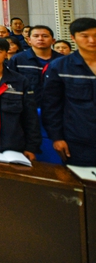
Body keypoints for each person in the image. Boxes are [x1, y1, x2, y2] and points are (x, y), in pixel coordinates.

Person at [42, 17, 96, 165]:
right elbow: (51, 105)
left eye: (95, 36)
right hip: (78, 140)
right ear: (73, 37)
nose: (92, 40)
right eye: (85, 36)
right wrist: (56, 137)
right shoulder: (60, 66)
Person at [7, 25, 61, 104]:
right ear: (29, 40)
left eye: (45, 36)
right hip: (28, 105)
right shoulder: (18, 60)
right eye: (36, 36)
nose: (40, 39)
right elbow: (10, 85)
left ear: (53, 41)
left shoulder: (62, 61)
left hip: (56, 105)